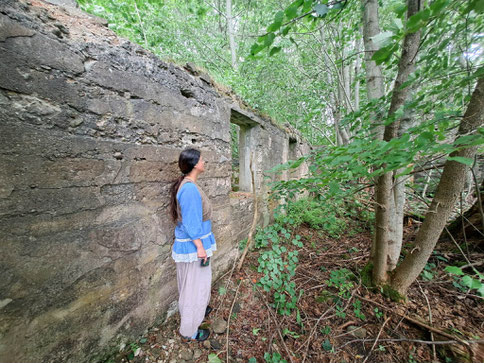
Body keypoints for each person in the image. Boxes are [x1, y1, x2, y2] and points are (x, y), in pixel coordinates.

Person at [170, 148, 217, 342]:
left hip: (195, 243)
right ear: (195, 164)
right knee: (193, 288)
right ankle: (189, 329)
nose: (204, 162)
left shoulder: (189, 184)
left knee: (197, 284)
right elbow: (190, 223)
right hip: (193, 246)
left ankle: (199, 310)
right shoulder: (189, 188)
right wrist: (199, 247)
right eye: (202, 159)